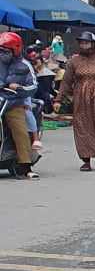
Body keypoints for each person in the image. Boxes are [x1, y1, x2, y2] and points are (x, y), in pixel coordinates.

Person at [59, 30, 95, 170]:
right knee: (83, 130)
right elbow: (66, 82)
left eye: (87, 42)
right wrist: (58, 100)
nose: (84, 45)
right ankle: (86, 161)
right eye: (82, 43)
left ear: (93, 44)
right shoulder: (74, 61)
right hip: (81, 101)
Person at [1, 32, 37, 176]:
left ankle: (25, 165)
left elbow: (33, 86)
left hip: (13, 103)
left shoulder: (25, 65)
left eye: (5, 51)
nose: (2, 54)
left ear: (14, 50)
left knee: (20, 130)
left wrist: (20, 88)